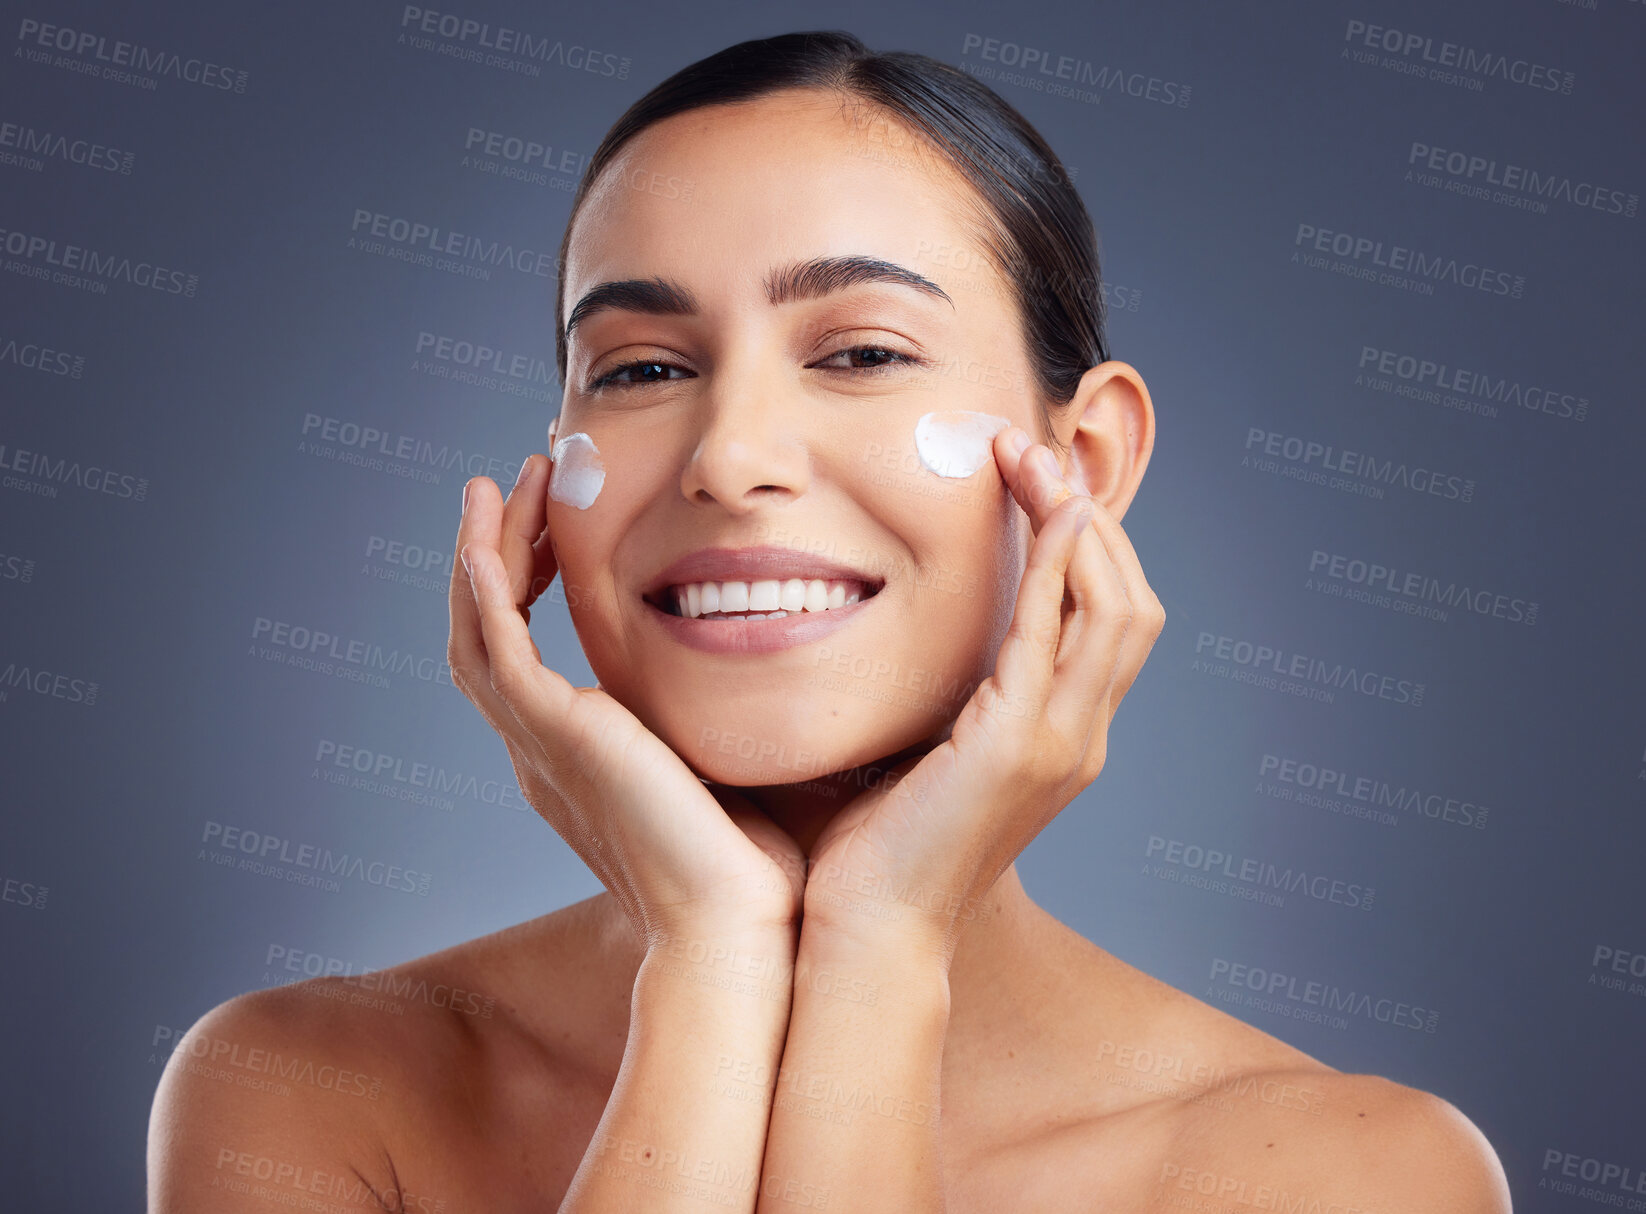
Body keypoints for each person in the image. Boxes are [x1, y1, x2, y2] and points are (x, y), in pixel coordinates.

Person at [148, 30, 1511, 1213]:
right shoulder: (307, 1091)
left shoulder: (1352, 1171)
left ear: (1083, 465)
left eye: (859, 352)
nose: (729, 455)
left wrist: (878, 947)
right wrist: (706, 959)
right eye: (641, 367)